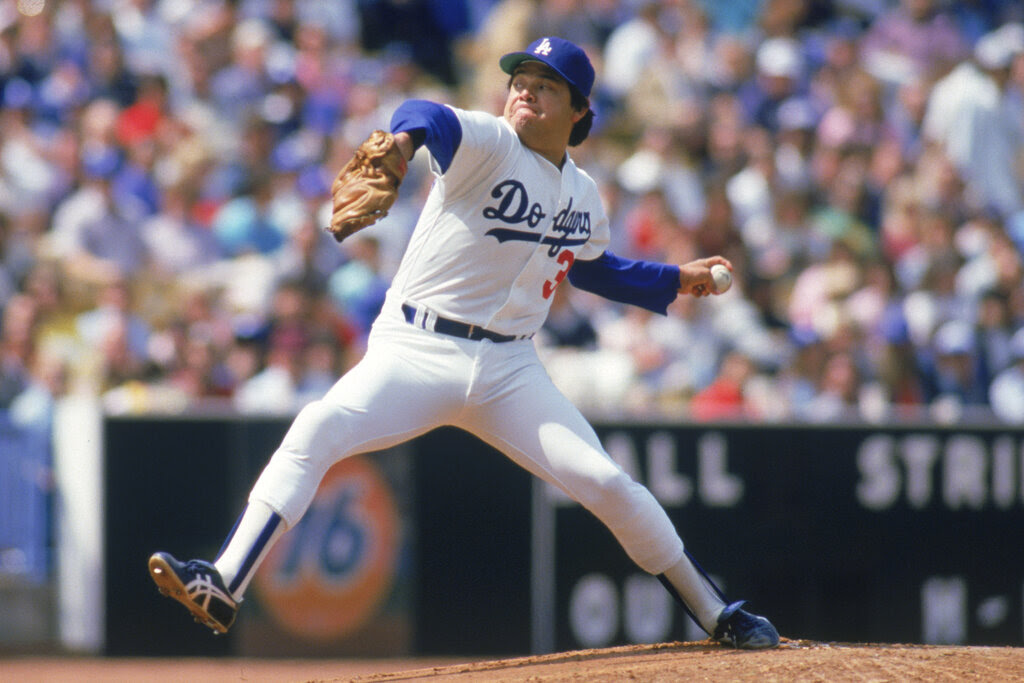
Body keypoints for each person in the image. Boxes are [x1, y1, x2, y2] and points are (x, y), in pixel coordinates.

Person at [148, 36, 780, 650]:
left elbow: (588, 266)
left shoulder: (583, 194)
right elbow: (425, 114)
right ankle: (225, 580)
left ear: (580, 109)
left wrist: (676, 280)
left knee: (609, 484)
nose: (525, 93)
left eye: (545, 86)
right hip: (416, 348)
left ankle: (715, 611)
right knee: (320, 426)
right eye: (519, 81)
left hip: (510, 368)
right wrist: (400, 142)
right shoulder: (489, 140)